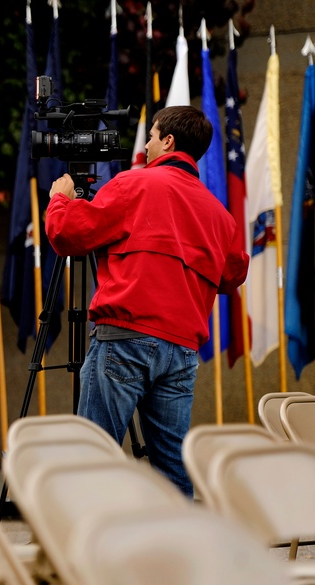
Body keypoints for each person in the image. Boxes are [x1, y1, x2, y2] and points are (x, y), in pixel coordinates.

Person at [44, 105, 249, 497]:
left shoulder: (134, 184)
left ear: (168, 141)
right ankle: (181, 552)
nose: (148, 146)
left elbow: (66, 235)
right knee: (173, 468)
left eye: (152, 137)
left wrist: (60, 199)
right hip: (182, 351)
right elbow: (233, 273)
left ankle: (88, 553)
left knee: (95, 456)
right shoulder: (218, 214)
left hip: (125, 337)